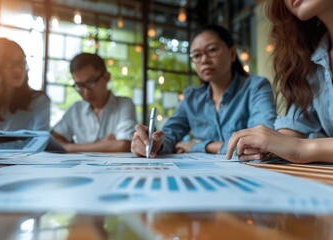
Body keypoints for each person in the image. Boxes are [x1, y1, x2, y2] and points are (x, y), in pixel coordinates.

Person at [131, 24, 276, 158]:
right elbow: (169, 135)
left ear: (232, 54)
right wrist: (154, 143)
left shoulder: (256, 87)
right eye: (197, 55)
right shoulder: (191, 97)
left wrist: (201, 145)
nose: (204, 60)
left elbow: (262, 142)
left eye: (212, 50)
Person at [226, 0, 333, 163]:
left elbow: (297, 144)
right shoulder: (312, 64)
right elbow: (296, 127)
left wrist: (301, 148)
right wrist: (268, 144)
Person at [51, 53, 137, 153]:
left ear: (107, 77)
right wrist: (104, 145)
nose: (86, 91)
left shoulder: (124, 104)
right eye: (79, 85)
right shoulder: (76, 109)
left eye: (91, 82)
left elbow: (124, 145)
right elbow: (54, 139)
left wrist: (71, 147)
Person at [0, 38, 50, 143]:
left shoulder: (39, 101)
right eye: (10, 63)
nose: (18, 69)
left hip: (24, 159)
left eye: (22, 62)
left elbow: (41, 141)